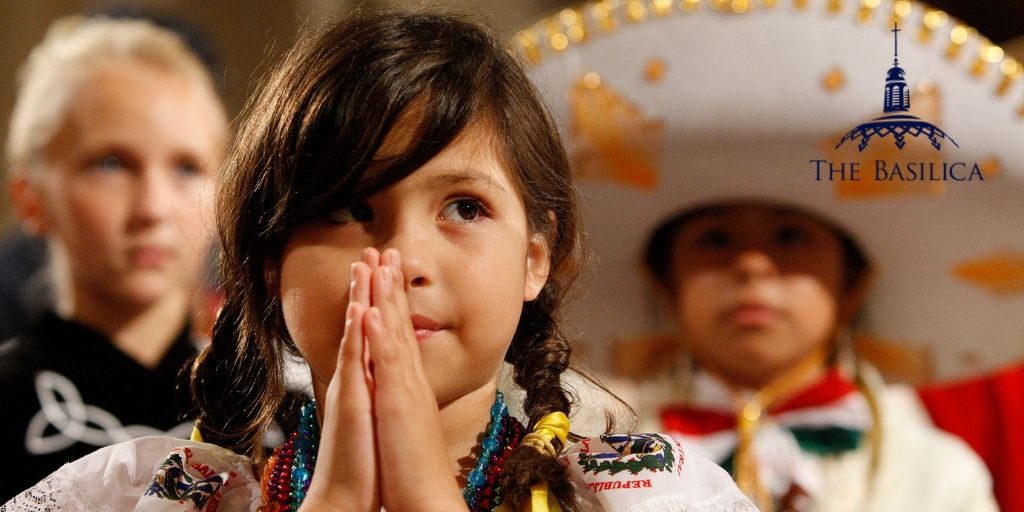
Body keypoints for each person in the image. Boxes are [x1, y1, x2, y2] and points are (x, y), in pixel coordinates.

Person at [2, 11, 756, 512]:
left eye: (464, 207)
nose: (401, 259)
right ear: (270, 262)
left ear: (536, 258)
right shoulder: (130, 494)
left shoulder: (648, 493)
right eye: (346, 211)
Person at [518, 1, 1022, 511]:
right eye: (715, 240)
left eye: (791, 237)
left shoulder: (938, 475)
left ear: (852, 283)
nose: (752, 265)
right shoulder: (584, 463)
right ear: (664, 281)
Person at [0, 15, 228, 502]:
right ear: (31, 199)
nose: (153, 208)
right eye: (111, 164)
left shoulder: (270, 416)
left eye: (187, 167)